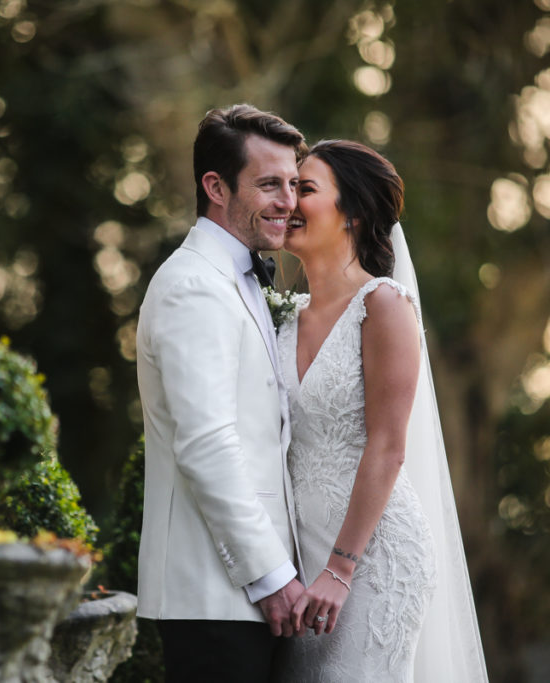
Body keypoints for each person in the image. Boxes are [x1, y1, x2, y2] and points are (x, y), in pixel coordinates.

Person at [272, 139, 488, 681]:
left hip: (371, 560)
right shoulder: (283, 317)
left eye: (307, 188)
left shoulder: (383, 306)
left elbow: (388, 447)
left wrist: (341, 569)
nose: (289, 200)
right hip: (300, 560)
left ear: (355, 215)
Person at [135, 104, 309, 682]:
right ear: (215, 186)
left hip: (242, 600)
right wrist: (272, 575)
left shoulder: (239, 278)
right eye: (268, 184)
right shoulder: (192, 286)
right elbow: (206, 445)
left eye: (292, 182)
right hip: (213, 595)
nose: (289, 201)